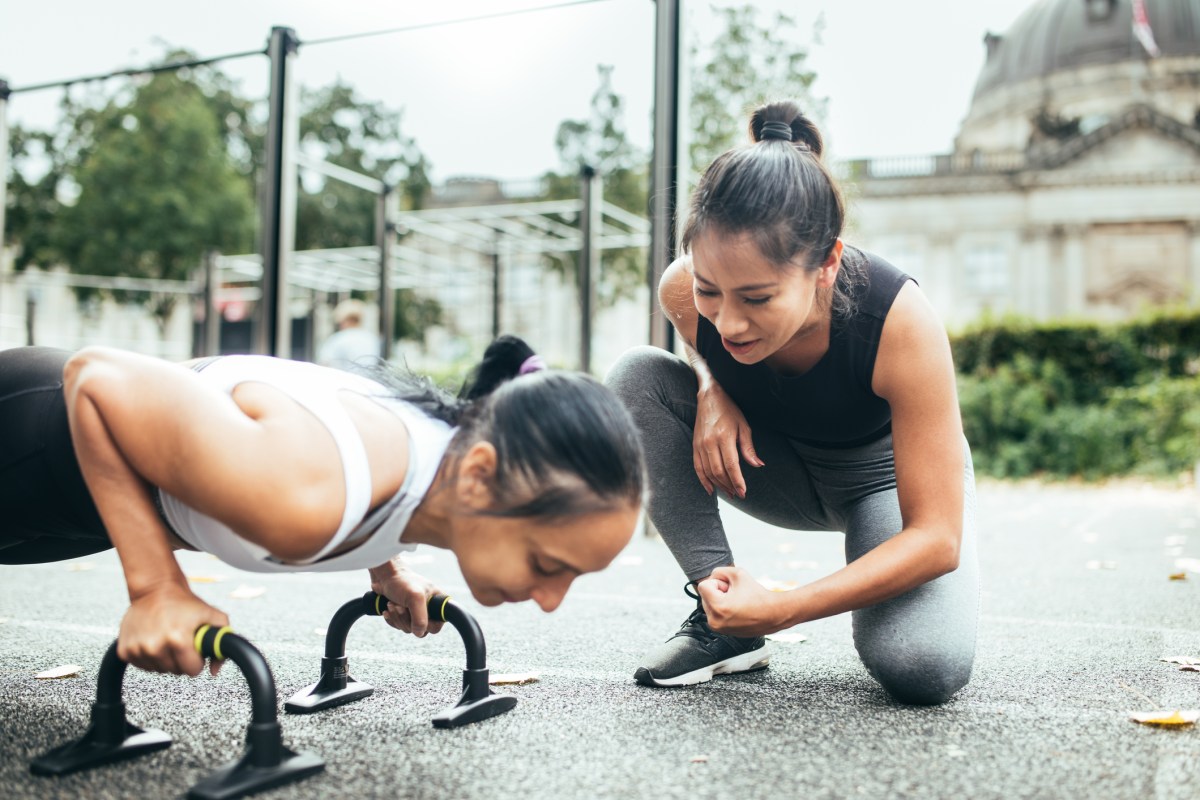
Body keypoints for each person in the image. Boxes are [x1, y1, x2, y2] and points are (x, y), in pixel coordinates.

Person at [605, 100, 978, 705]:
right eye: (710, 290)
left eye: (756, 298)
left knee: (923, 666)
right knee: (636, 374)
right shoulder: (680, 290)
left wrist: (779, 610)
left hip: (880, 486)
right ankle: (722, 621)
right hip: (771, 468)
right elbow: (699, 334)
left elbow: (937, 537)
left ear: (826, 262)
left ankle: (751, 622)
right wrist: (711, 384)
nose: (727, 322)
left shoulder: (900, 322)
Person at [0, 335, 645, 677]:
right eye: (547, 562)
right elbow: (94, 378)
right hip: (32, 446)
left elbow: (376, 498)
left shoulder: (443, 458)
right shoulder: (307, 493)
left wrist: (386, 568)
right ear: (481, 477)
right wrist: (154, 589)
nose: (553, 600)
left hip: (76, 502)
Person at [318, 298, 383, 369]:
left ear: (344, 320)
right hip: (367, 379)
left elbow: (324, 364)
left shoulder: (338, 339)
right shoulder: (372, 339)